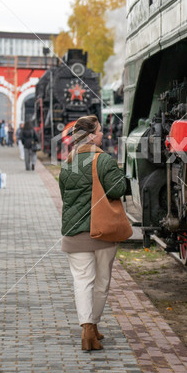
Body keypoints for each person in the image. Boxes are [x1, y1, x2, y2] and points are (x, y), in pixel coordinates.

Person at [58, 115, 126, 351]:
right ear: (90, 136)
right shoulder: (104, 160)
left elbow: (65, 195)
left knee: (82, 281)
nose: (102, 135)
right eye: (99, 131)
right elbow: (118, 189)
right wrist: (121, 175)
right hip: (103, 232)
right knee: (102, 282)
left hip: (74, 233)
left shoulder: (67, 163)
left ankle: (89, 329)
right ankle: (91, 326)